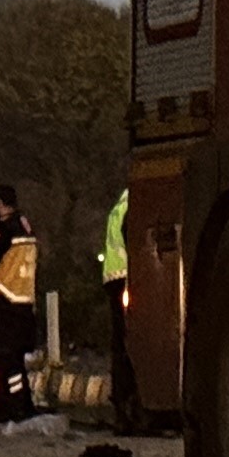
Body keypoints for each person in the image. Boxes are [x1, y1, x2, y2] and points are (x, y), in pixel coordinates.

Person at [0, 183, 43, 426]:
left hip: (2, 300)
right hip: (22, 299)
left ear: (0, 204)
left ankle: (13, 404)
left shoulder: (4, 229)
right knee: (13, 357)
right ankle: (14, 402)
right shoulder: (26, 225)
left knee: (4, 358)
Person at [99, 184, 136, 432]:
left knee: (119, 345)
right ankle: (129, 409)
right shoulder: (135, 203)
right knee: (128, 345)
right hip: (127, 278)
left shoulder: (121, 202)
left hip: (114, 279)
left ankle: (122, 409)